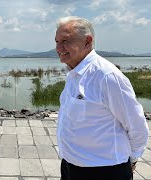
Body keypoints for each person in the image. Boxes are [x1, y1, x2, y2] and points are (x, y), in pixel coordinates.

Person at [55, 16, 149, 180]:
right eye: (56, 41)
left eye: (65, 41)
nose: (58, 47)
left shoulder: (107, 76)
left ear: (87, 41)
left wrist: (131, 160)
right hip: (70, 167)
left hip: (104, 171)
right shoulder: (73, 73)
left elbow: (137, 125)